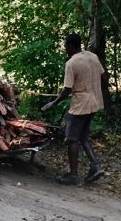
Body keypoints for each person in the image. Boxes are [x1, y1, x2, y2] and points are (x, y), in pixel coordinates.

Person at [42, 33, 106, 185]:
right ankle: (95, 166)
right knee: (83, 137)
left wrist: (54, 103)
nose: (65, 49)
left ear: (70, 46)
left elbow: (67, 89)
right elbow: (104, 78)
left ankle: (73, 175)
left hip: (81, 106)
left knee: (72, 139)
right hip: (95, 102)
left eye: (65, 46)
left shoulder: (72, 63)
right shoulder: (92, 56)